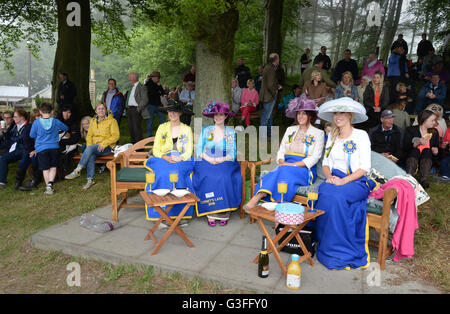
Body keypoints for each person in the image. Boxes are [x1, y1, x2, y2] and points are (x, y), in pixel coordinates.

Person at [315, 97, 376, 270]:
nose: (338, 116)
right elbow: (326, 163)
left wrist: (344, 181)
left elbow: (365, 167)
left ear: (350, 116)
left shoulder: (361, 135)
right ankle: (326, 243)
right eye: (335, 113)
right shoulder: (332, 136)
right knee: (325, 192)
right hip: (335, 178)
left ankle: (340, 248)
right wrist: (329, 177)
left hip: (357, 180)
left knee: (336, 196)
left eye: (342, 113)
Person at [244, 95, 324, 208]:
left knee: (282, 171)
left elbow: (315, 157)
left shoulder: (318, 133)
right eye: (298, 113)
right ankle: (271, 202)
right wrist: (281, 161)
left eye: (304, 113)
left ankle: (261, 197)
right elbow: (281, 150)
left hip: (305, 169)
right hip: (285, 166)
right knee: (283, 170)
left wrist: (291, 165)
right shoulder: (290, 130)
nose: (300, 116)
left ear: (310, 116)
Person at [144, 101, 194, 226]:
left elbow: (189, 150)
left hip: (182, 159)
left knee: (177, 174)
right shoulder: (162, 127)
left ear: (180, 113)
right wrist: (166, 157)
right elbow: (155, 149)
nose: (172, 113)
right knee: (163, 174)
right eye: (170, 111)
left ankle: (180, 214)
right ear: (167, 112)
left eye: (175, 111)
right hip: (162, 158)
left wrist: (179, 158)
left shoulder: (187, 129)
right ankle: (163, 213)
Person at [193, 102, 242, 226]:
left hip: (225, 159)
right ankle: (210, 210)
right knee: (207, 175)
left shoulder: (230, 132)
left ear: (226, 116)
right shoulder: (206, 130)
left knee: (223, 176)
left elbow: (232, 151)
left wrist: (222, 159)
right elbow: (199, 149)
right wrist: (208, 158)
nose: (218, 117)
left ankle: (223, 211)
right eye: (216, 115)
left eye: (221, 115)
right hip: (206, 157)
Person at [65, 103, 120, 189]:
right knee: (90, 154)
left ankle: (78, 170)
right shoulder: (93, 121)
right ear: (95, 111)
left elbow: (116, 136)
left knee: (90, 149)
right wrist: (90, 148)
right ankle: (90, 180)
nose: (101, 111)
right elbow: (89, 136)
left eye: (103, 109)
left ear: (106, 110)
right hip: (95, 148)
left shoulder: (112, 121)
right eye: (99, 109)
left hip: (108, 147)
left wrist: (103, 144)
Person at [29, 103, 69, 195]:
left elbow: (31, 135)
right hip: (54, 148)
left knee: (45, 168)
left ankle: (48, 187)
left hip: (41, 149)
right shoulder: (55, 121)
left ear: (40, 111)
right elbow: (66, 128)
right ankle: (50, 184)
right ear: (52, 111)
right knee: (53, 167)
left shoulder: (36, 122)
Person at [403, 110, 439, 188]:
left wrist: (436, 151)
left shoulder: (434, 132)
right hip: (413, 155)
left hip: (427, 157)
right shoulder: (410, 130)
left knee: (427, 151)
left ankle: (424, 180)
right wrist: (417, 143)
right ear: (425, 120)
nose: (434, 122)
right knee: (415, 150)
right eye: (432, 120)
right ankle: (409, 178)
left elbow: (436, 148)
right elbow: (405, 147)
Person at [0, 109, 33, 190]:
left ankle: (18, 183)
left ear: (21, 117)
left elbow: (21, 138)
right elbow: (10, 137)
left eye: (15, 117)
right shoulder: (15, 126)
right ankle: (2, 182)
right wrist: (4, 131)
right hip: (16, 149)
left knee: (22, 162)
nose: (13, 118)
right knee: (3, 158)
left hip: (25, 150)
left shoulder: (28, 126)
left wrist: (13, 138)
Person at [259, 53, 282, 138]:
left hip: (267, 95)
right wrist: (275, 92)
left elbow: (269, 82)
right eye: (278, 59)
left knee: (269, 116)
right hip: (269, 96)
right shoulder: (271, 69)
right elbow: (270, 85)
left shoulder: (268, 67)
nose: (279, 60)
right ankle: (263, 136)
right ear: (276, 60)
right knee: (266, 116)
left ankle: (270, 134)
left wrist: (277, 85)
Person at [57, 106, 81, 179]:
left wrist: (61, 141)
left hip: (71, 146)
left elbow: (74, 139)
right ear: (61, 112)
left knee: (65, 154)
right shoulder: (57, 122)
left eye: (69, 112)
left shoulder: (74, 124)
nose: (67, 114)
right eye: (65, 112)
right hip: (59, 145)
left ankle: (63, 170)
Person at [125, 72, 148, 144]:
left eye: (129, 77)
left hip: (136, 109)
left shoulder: (142, 87)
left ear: (134, 78)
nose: (128, 79)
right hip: (129, 109)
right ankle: (133, 146)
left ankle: (139, 148)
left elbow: (145, 100)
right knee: (131, 128)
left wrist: (138, 108)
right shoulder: (131, 87)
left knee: (137, 129)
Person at [145, 71, 167, 137]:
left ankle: (160, 133)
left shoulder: (158, 84)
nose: (159, 79)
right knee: (150, 120)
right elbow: (153, 93)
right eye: (158, 77)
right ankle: (149, 135)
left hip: (158, 104)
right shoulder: (148, 84)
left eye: (159, 78)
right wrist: (158, 89)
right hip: (150, 104)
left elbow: (163, 93)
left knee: (163, 118)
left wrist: (159, 86)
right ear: (153, 77)